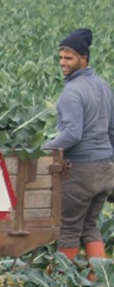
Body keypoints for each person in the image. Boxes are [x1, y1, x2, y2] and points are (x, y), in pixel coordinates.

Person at [43, 28, 114, 264]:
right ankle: (102, 283)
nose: (62, 63)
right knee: (90, 226)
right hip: (105, 170)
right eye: (61, 58)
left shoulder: (72, 91)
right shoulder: (103, 86)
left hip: (82, 170)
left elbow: (72, 134)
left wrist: (45, 148)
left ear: (84, 58)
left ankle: (63, 286)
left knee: (68, 228)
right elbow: (111, 130)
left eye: (69, 58)